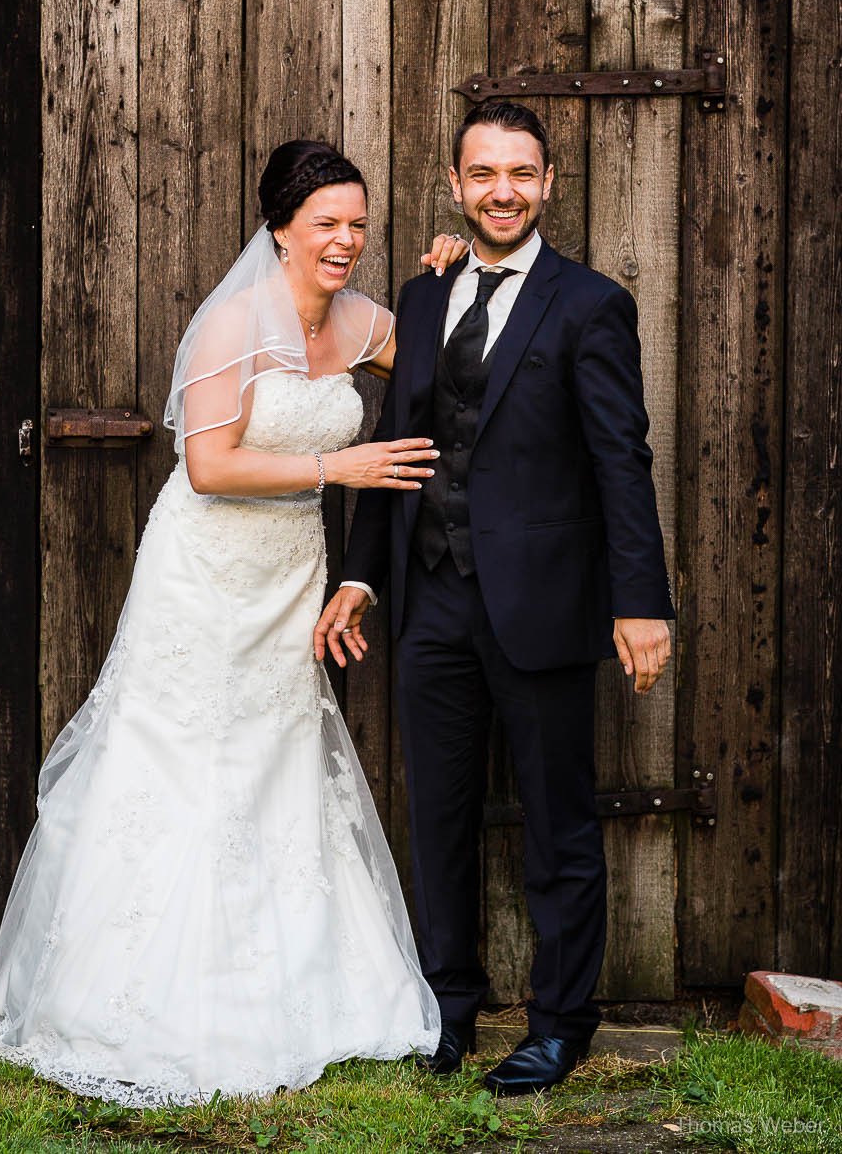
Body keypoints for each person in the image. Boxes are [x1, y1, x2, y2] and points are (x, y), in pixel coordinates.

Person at [0, 141, 453, 1107]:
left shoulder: (360, 320)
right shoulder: (232, 323)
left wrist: (443, 278)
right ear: (279, 231)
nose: (346, 242)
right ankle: (140, 997)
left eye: (358, 225)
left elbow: (441, 359)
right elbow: (209, 466)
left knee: (276, 751)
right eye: (326, 226)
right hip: (206, 570)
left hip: (291, 572)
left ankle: (296, 986)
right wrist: (336, 469)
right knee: (183, 756)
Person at [318, 100, 673, 1096]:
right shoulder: (422, 299)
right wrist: (361, 574)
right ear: (457, 182)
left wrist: (641, 600)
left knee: (559, 823)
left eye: (522, 173)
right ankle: (448, 1012)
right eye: (484, 173)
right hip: (433, 603)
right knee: (439, 818)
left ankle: (560, 1024)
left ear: (548, 182)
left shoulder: (591, 304)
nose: (503, 190)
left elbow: (622, 458)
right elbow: (400, 444)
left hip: (545, 603)